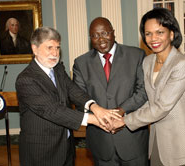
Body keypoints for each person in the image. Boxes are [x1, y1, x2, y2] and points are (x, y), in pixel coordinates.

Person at [15, 26, 120, 166]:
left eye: (57, 48)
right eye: (49, 47)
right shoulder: (26, 79)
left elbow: (72, 90)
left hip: (66, 147)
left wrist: (94, 106)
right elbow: (52, 110)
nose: (55, 53)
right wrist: (94, 119)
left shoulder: (57, 68)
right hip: (41, 151)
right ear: (34, 49)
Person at [113, 8, 185, 166]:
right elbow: (150, 100)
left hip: (180, 141)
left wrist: (124, 121)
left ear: (171, 34)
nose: (153, 38)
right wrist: (121, 113)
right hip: (156, 141)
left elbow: (161, 106)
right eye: (148, 33)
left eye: (160, 32)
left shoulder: (182, 65)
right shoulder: (148, 62)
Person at [73, 17, 149, 166]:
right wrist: (102, 118)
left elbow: (143, 92)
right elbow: (78, 97)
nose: (101, 39)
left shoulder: (136, 55)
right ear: (90, 38)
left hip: (132, 140)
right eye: (95, 35)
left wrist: (121, 110)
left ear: (113, 33)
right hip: (101, 142)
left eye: (105, 33)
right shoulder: (81, 63)